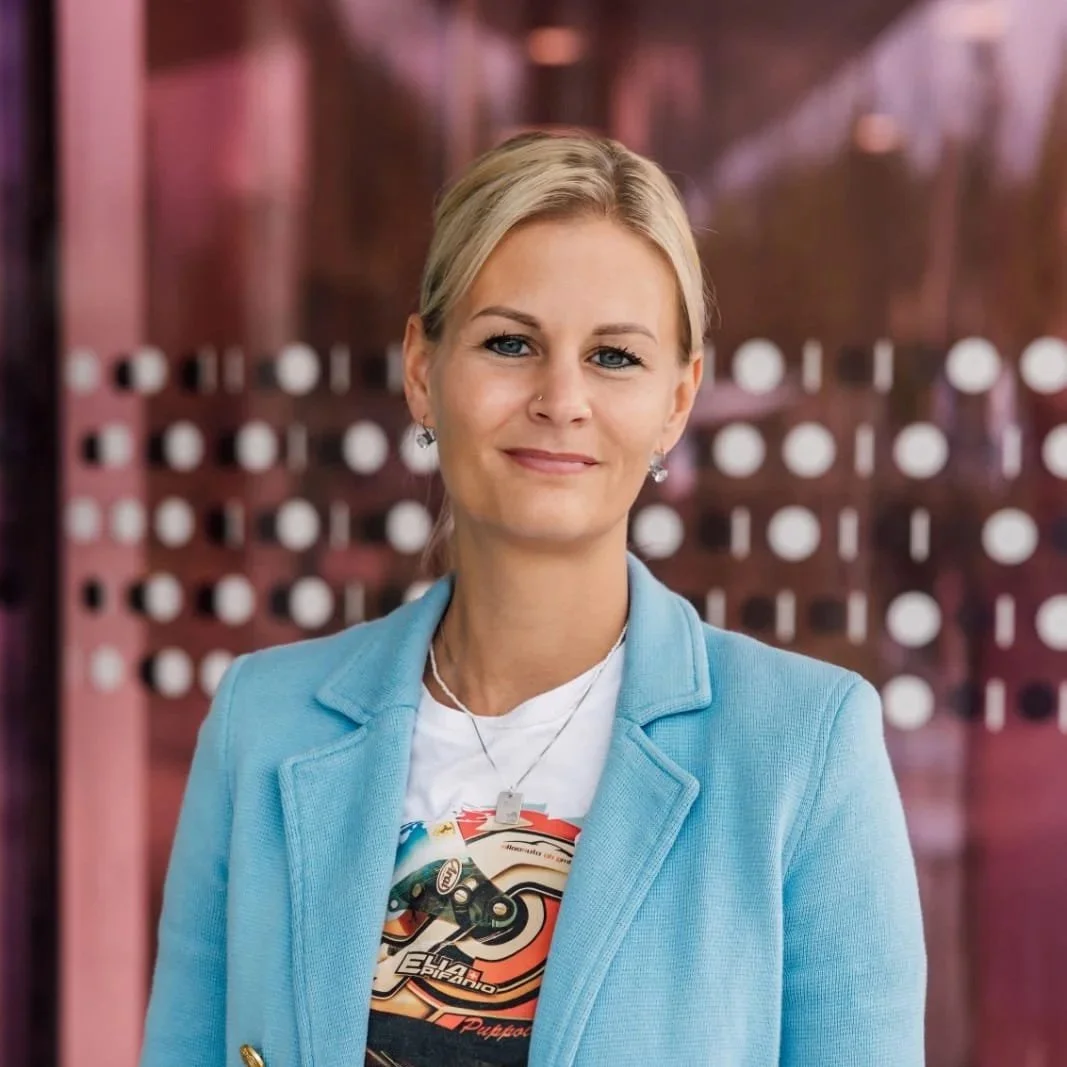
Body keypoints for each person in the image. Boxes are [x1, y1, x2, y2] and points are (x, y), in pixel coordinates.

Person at [139, 131, 926, 1067]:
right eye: (509, 343)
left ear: (677, 401)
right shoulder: (261, 723)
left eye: (614, 356)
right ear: (422, 372)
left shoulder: (804, 748)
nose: (561, 398)